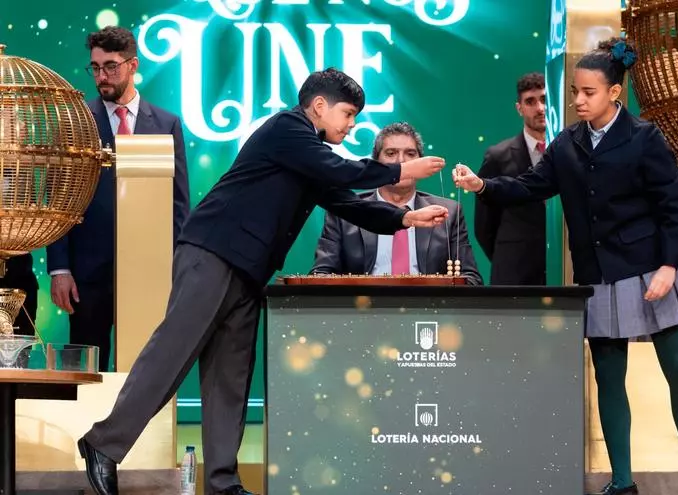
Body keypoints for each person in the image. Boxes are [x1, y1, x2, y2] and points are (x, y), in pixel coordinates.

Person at [76, 68, 449, 495]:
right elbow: (342, 172)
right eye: (348, 114)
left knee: (231, 376)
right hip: (213, 253)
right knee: (171, 354)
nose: (351, 125)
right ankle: (103, 443)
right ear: (319, 106)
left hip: (249, 269)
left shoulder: (311, 154)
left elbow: (347, 203)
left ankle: (222, 482)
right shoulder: (288, 128)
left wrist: (405, 218)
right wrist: (398, 171)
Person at [454, 38, 678, 495]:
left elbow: (673, 209)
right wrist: (483, 186)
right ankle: (622, 482)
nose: (578, 100)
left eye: (588, 92)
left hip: (651, 271)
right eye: (575, 91)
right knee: (609, 381)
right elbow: (530, 186)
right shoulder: (567, 143)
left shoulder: (645, 137)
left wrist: (667, 266)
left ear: (614, 93)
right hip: (597, 276)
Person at [46, 26, 191, 372]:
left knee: (144, 371)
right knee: (83, 373)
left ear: (132, 65)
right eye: (95, 68)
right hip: (86, 275)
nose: (102, 76)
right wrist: (60, 269)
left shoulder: (167, 124)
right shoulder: (76, 121)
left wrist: (176, 268)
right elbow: (58, 200)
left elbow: (178, 205)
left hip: (148, 273)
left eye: (110, 66)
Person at [311, 122, 482, 285]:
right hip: (364, 303)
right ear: (375, 163)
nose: (401, 161)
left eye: (410, 154)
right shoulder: (345, 211)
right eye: (391, 153)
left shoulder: (447, 212)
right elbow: (321, 274)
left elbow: (471, 278)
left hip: (428, 304)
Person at [474, 72, 547, 285]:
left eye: (544, 99)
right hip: (514, 274)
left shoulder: (570, 151)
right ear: (519, 108)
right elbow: (484, 226)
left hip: (565, 272)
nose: (540, 108)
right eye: (530, 101)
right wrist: (507, 257)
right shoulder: (497, 156)